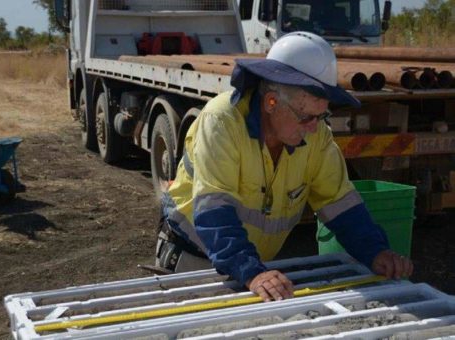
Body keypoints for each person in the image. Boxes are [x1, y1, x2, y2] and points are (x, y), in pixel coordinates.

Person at [155, 32, 413, 302]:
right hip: (195, 259)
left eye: (322, 115)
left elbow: (340, 203)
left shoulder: (316, 135)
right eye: (306, 117)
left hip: (252, 265)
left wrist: (375, 252)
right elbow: (214, 211)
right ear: (271, 102)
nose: (314, 126)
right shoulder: (222, 122)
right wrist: (250, 271)